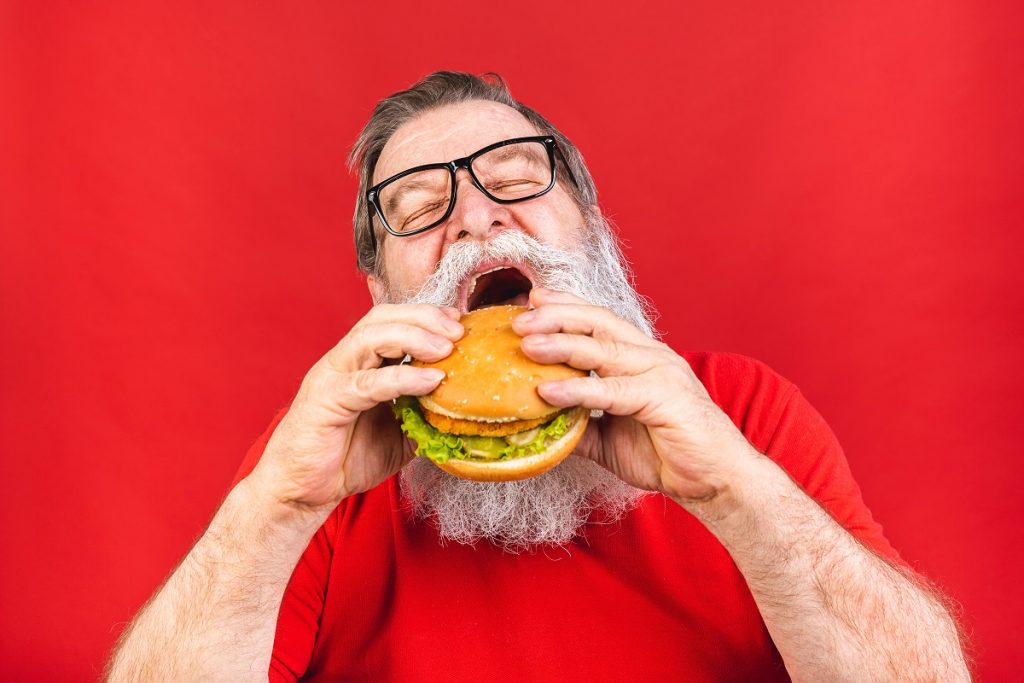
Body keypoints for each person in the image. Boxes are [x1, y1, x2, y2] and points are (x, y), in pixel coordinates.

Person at [105, 72, 969, 682]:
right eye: (419, 210)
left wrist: (735, 487)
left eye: (517, 180)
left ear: (591, 228)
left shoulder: (742, 411)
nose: (478, 219)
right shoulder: (323, 460)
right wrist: (278, 506)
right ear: (381, 293)